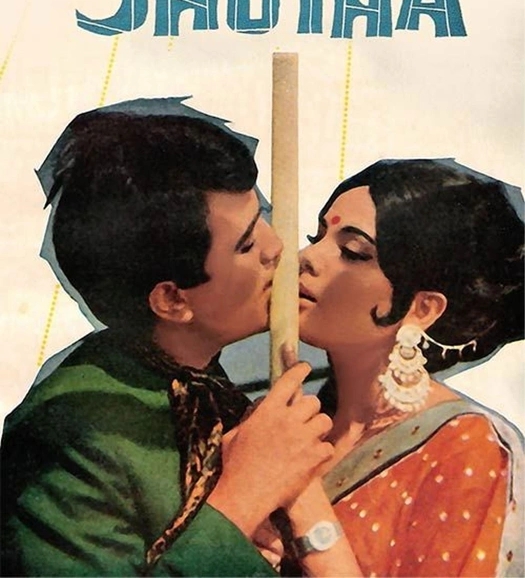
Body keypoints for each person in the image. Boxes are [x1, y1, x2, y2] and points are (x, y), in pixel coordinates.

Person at [1, 107, 334, 577]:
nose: (275, 247)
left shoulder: (203, 386)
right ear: (172, 300)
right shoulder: (69, 437)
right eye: (245, 245)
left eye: (261, 216)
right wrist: (244, 498)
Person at [282, 159, 524, 577]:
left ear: (422, 308)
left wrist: (304, 503)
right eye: (316, 237)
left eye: (353, 252)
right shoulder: (295, 424)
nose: (307, 258)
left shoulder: (466, 447)